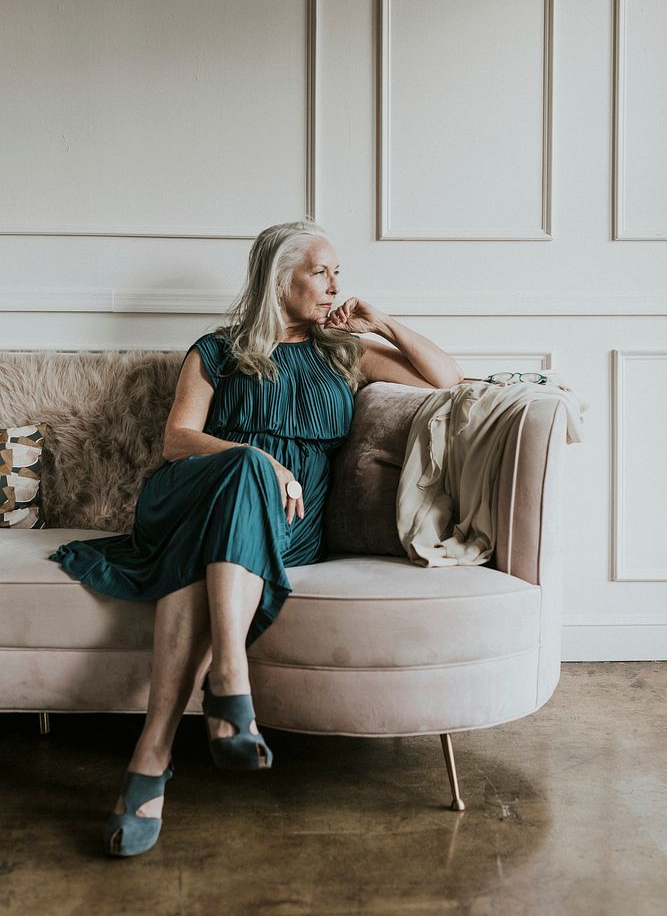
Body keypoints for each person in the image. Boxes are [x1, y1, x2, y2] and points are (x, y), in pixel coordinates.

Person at [49, 220, 464, 856]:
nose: (335, 285)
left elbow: (447, 381)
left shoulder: (342, 354)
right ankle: (229, 683)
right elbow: (177, 441)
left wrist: (381, 322)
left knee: (201, 564)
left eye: (338, 274)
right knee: (243, 471)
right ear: (279, 279)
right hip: (196, 495)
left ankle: (150, 760)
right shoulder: (216, 349)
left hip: (287, 526)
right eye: (320, 272)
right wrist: (259, 458)